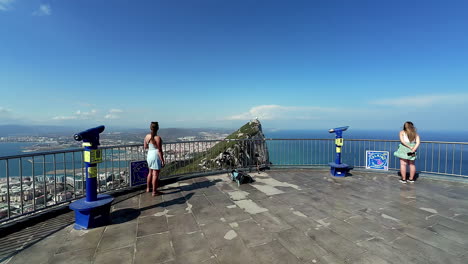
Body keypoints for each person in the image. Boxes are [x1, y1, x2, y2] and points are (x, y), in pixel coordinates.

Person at [144, 122, 165, 196]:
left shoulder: (147, 136)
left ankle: (148, 188)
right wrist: (162, 160)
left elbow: (145, 147)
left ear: (150, 128)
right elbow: (159, 150)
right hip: (155, 156)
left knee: (150, 172)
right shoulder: (158, 138)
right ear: (158, 128)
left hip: (149, 155)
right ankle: (154, 192)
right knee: (155, 174)